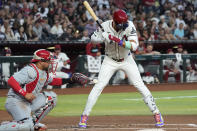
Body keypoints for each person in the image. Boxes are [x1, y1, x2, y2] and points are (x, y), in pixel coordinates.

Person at [78, 9, 164, 128]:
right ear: (114, 22)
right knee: (99, 86)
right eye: (120, 25)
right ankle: (84, 116)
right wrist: (102, 37)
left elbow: (134, 46)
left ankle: (157, 113)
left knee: (140, 85)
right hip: (109, 60)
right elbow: (93, 40)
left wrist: (117, 40)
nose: (123, 27)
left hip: (127, 60)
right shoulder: (104, 26)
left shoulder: (129, 26)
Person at [0, 49, 89, 131]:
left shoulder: (43, 72)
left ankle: (33, 123)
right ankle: (6, 126)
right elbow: (11, 81)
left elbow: (53, 81)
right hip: (16, 101)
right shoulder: (30, 70)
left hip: (29, 101)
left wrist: (71, 80)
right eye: (48, 60)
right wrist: (24, 93)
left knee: (51, 98)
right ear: (41, 62)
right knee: (26, 127)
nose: (50, 62)